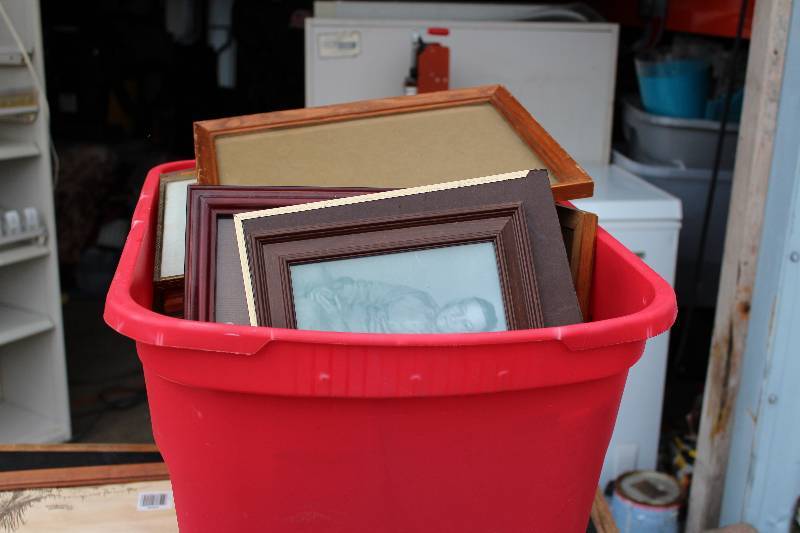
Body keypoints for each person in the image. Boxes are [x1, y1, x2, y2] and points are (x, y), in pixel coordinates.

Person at [294, 276, 500, 334]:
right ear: (454, 303)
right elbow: (368, 290)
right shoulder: (420, 299)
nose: (455, 318)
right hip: (333, 312)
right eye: (461, 310)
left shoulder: (432, 360)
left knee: (305, 313)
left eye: (466, 324)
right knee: (309, 286)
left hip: (338, 341)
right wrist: (330, 292)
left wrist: (336, 320)